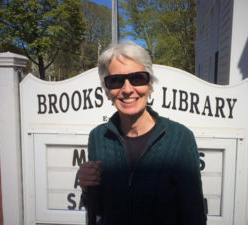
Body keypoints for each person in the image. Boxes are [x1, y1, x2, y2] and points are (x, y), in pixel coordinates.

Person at [77, 41, 207, 225]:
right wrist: (87, 187)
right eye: (115, 81)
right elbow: (97, 209)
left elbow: (194, 212)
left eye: (137, 78)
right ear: (107, 91)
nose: (127, 89)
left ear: (150, 85)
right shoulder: (98, 137)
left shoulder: (180, 138)